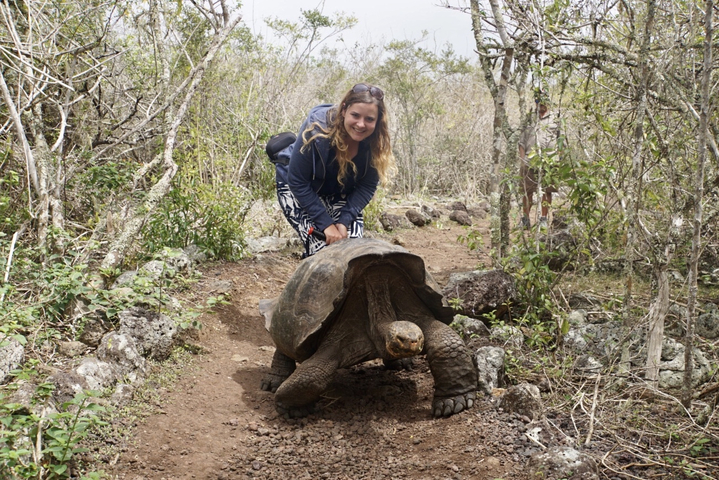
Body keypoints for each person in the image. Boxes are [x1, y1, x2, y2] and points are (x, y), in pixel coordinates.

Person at [274, 83, 395, 257]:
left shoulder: (376, 142)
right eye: (355, 115)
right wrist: (326, 225)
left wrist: (343, 222)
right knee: (322, 250)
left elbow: (367, 187)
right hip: (298, 187)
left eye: (369, 119)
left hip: (339, 189)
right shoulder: (316, 130)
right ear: (344, 110)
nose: (361, 124)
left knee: (353, 252)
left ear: (377, 120)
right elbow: (297, 181)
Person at [519, 89, 560, 230]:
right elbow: (521, 141)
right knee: (527, 191)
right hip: (530, 161)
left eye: (543, 101)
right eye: (537, 101)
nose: (540, 104)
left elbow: (561, 140)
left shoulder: (556, 118)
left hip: (550, 162)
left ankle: (543, 219)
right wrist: (522, 159)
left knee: (547, 191)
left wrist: (557, 159)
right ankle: (525, 219)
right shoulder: (529, 118)